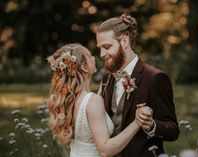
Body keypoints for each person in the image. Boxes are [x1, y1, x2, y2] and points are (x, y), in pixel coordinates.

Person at [96, 14, 180, 156]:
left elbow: (173, 130)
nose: (102, 54)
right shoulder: (107, 78)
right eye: (100, 48)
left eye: (107, 47)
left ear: (124, 41)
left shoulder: (155, 78)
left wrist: (152, 126)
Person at [46, 43, 151, 157]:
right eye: (90, 56)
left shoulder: (69, 100)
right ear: (85, 67)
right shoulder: (93, 101)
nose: (94, 58)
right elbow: (105, 150)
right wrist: (137, 122)